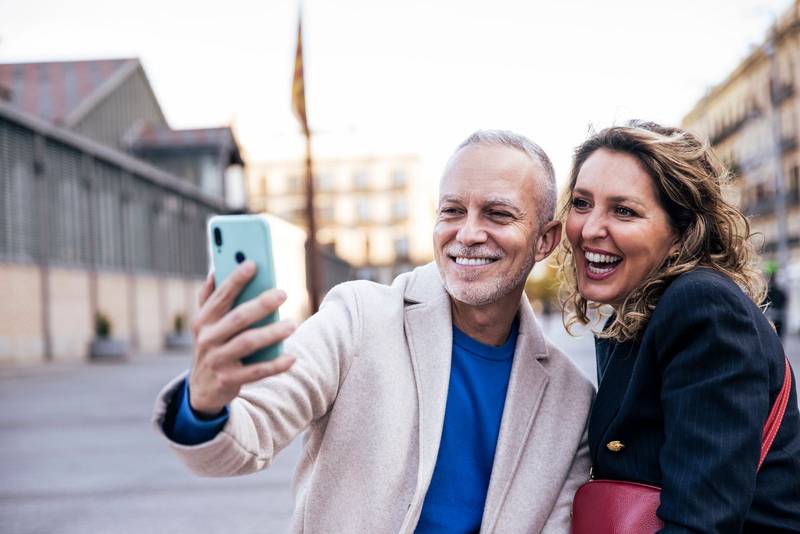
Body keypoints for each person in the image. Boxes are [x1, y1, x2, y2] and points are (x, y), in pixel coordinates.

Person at [153, 130, 594, 533]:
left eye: (497, 214)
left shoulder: (570, 401)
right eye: (452, 211)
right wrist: (205, 404)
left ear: (545, 239)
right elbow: (244, 438)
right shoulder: (357, 318)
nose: (469, 233)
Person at [558, 121, 800, 532]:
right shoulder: (641, 311)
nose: (590, 228)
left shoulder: (702, 307)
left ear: (682, 232)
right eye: (582, 203)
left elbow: (701, 523)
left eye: (624, 211)